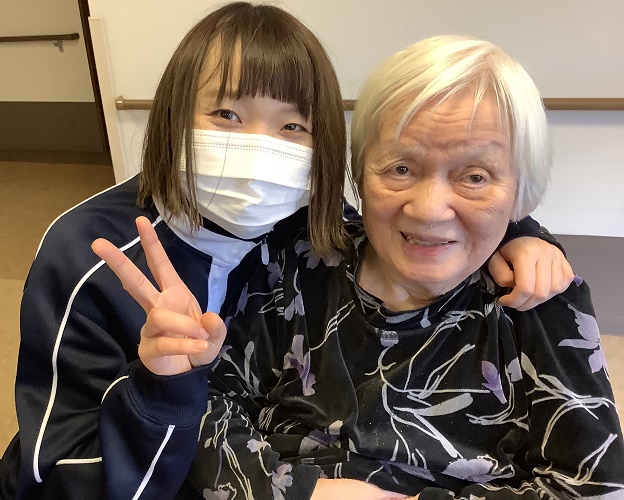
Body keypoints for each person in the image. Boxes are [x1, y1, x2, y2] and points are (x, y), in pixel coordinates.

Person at [0, 3, 571, 498]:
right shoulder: (89, 256)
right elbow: (60, 473)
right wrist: (160, 385)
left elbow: (415, 222)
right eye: (226, 114)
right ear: (173, 114)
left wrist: (520, 232)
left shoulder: (296, 219)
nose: (257, 150)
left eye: (294, 126)